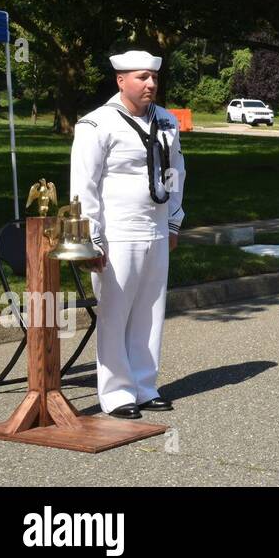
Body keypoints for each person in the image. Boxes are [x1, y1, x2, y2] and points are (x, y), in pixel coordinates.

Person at [70, 50, 186, 419]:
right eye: (141, 77)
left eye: (153, 77)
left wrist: (172, 220)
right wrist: (92, 238)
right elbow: (83, 185)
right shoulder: (97, 124)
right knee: (115, 314)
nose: (150, 84)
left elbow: (175, 172)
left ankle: (145, 385)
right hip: (117, 233)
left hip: (155, 229)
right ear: (121, 81)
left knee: (151, 312)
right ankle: (117, 393)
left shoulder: (167, 121)